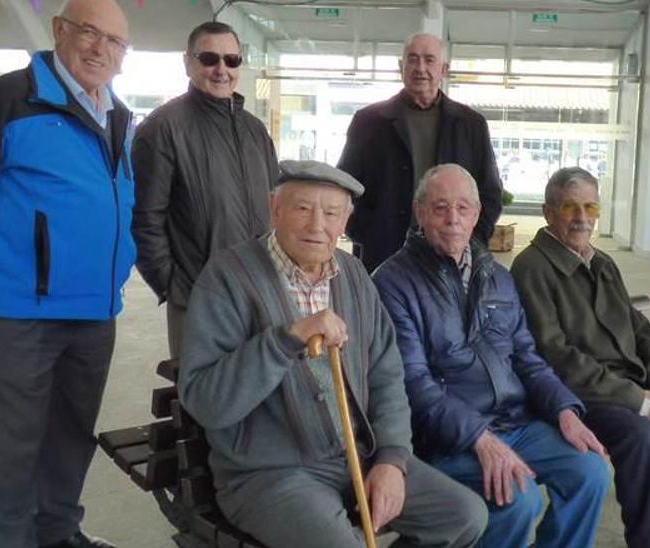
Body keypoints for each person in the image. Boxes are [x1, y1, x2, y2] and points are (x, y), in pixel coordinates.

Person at [177, 160, 488, 548]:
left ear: (346, 222)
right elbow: (205, 401)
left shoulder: (354, 275)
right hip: (268, 474)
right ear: (275, 210)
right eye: (302, 208)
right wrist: (287, 339)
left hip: (357, 458)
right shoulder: (227, 278)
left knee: (463, 516)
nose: (316, 225)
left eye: (331, 213)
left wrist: (392, 459)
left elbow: (386, 376)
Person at [0, 0, 134, 546]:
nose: (100, 48)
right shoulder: (7, 99)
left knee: (70, 432)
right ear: (59, 31)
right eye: (89, 32)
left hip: (94, 306)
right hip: (23, 310)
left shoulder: (117, 115)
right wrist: (4, 263)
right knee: (19, 437)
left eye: (114, 41)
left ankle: (58, 532)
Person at [372, 164, 610, 548]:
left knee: (591, 471)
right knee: (517, 498)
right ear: (419, 213)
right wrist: (479, 438)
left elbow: (527, 358)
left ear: (477, 214)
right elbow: (413, 384)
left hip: (515, 421)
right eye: (440, 208)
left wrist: (565, 409)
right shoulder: (393, 282)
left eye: (463, 208)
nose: (453, 220)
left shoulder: (496, 275)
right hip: (447, 437)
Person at [511, 167, 650, 548]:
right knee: (643, 435)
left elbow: (640, 328)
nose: (582, 217)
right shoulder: (532, 267)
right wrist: (640, 402)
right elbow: (555, 355)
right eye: (570, 207)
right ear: (549, 212)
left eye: (590, 206)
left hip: (634, 385)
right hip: (582, 397)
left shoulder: (601, 261)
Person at [132, 21, 279, 358]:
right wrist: (173, 284)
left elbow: (276, 206)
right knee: (205, 401)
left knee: (262, 399)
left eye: (231, 60)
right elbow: (144, 218)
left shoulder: (255, 132)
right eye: (209, 58)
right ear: (188, 62)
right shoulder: (163, 128)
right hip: (199, 298)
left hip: (261, 293)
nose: (221, 70)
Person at [337, 33, 502, 272]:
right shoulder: (369, 122)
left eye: (429, 60)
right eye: (413, 59)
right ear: (401, 67)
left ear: (444, 69)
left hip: (452, 255)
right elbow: (345, 187)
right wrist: (365, 233)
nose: (420, 68)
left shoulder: (470, 124)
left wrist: (470, 241)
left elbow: (490, 193)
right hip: (382, 253)